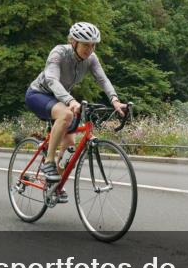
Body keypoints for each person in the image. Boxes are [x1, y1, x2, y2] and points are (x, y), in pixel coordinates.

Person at [25, 22, 126, 203]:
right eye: (86, 44)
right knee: (67, 114)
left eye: (93, 45)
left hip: (61, 99)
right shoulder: (59, 52)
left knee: (69, 148)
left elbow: (103, 79)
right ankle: (48, 161)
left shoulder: (91, 59)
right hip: (39, 94)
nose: (90, 49)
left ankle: (54, 187)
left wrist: (115, 100)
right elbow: (52, 80)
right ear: (73, 42)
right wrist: (70, 101)